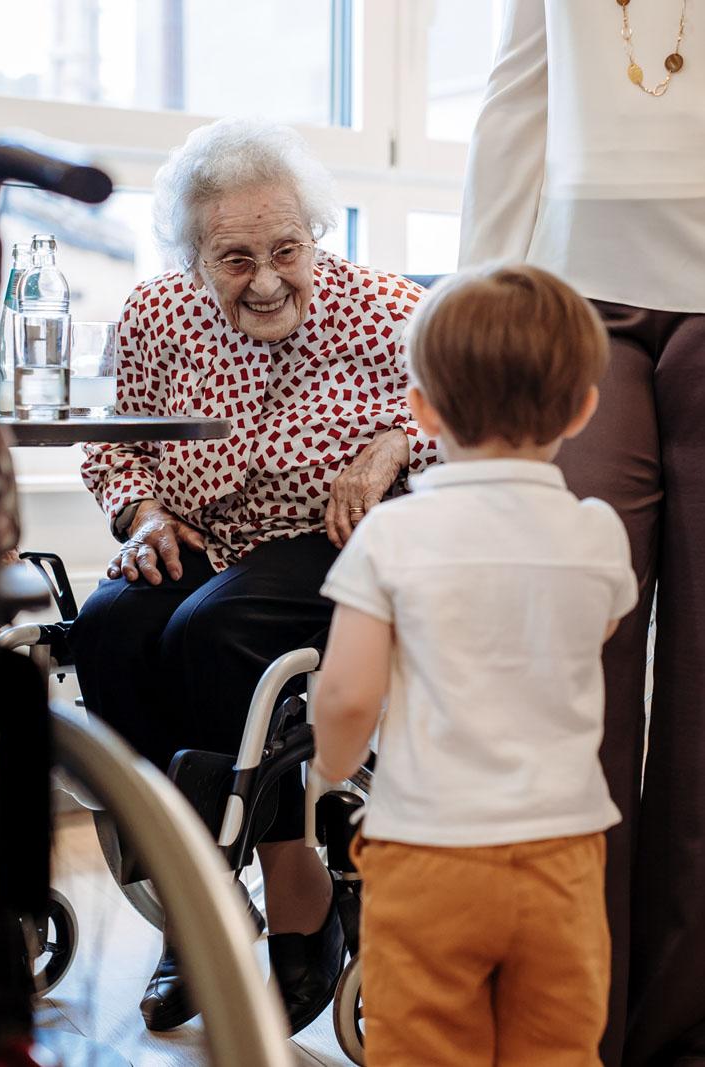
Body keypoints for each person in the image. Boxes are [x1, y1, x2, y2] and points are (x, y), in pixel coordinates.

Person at [69, 116, 437, 1035]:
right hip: (199, 533)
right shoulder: (155, 316)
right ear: (193, 256)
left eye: (286, 248)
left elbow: (465, 411)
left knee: (212, 627)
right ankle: (194, 898)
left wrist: (393, 444)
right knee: (107, 626)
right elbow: (114, 448)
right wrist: (145, 514)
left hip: (326, 536)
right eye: (234, 258)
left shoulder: (384, 308)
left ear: (316, 235)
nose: (267, 279)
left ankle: (293, 881)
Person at [458, 4, 705, 1064]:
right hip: (572, 294)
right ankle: (572, 1024)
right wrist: (474, 326)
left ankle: (682, 1027)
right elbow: (519, 91)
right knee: (573, 665)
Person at [313, 265, 638, 1067]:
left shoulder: (393, 536)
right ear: (585, 407)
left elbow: (350, 692)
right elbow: (590, 629)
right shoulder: (597, 532)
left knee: (425, 1048)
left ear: (420, 409)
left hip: (429, 851)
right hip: (563, 853)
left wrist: (330, 768)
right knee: (559, 1049)